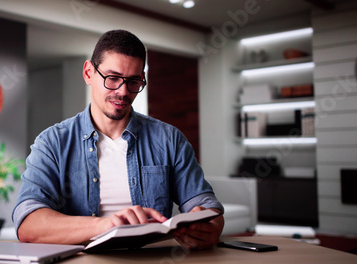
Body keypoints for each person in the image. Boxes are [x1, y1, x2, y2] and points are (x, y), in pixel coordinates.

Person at [12, 29, 224, 250]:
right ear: (88, 73)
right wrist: (107, 225)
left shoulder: (169, 139)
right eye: (112, 78)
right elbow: (29, 224)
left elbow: (208, 207)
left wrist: (211, 225)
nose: (123, 92)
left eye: (134, 81)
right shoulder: (52, 143)